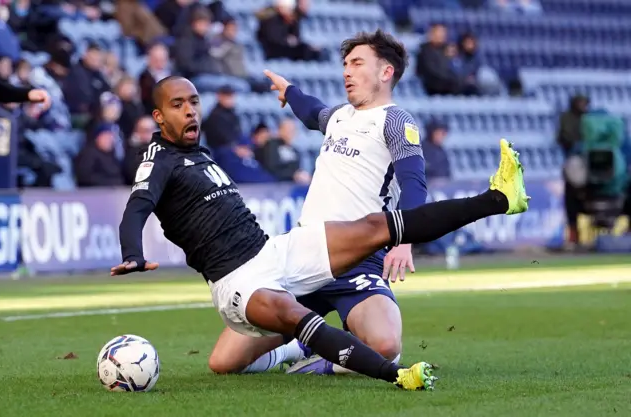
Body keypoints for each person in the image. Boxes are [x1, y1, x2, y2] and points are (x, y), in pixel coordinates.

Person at [113, 75, 530, 392]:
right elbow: (137, 207)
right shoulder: (158, 160)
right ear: (158, 116)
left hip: (276, 252)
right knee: (290, 321)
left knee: (373, 227)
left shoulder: (197, 153)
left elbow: (312, 112)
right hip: (238, 283)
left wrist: (291, 92)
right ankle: (395, 374)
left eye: (193, 102)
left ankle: (498, 198)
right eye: (178, 104)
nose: (190, 111)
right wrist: (132, 251)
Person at [213, 30, 428, 377]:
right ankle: (296, 345)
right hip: (302, 257)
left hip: (357, 260)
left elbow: (414, 184)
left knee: (386, 347)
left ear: (386, 72)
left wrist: (404, 240)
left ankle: (327, 359)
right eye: (345, 64)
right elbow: (313, 112)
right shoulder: (339, 117)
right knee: (223, 363)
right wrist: (289, 92)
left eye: (357, 63)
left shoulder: (395, 121)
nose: (346, 71)